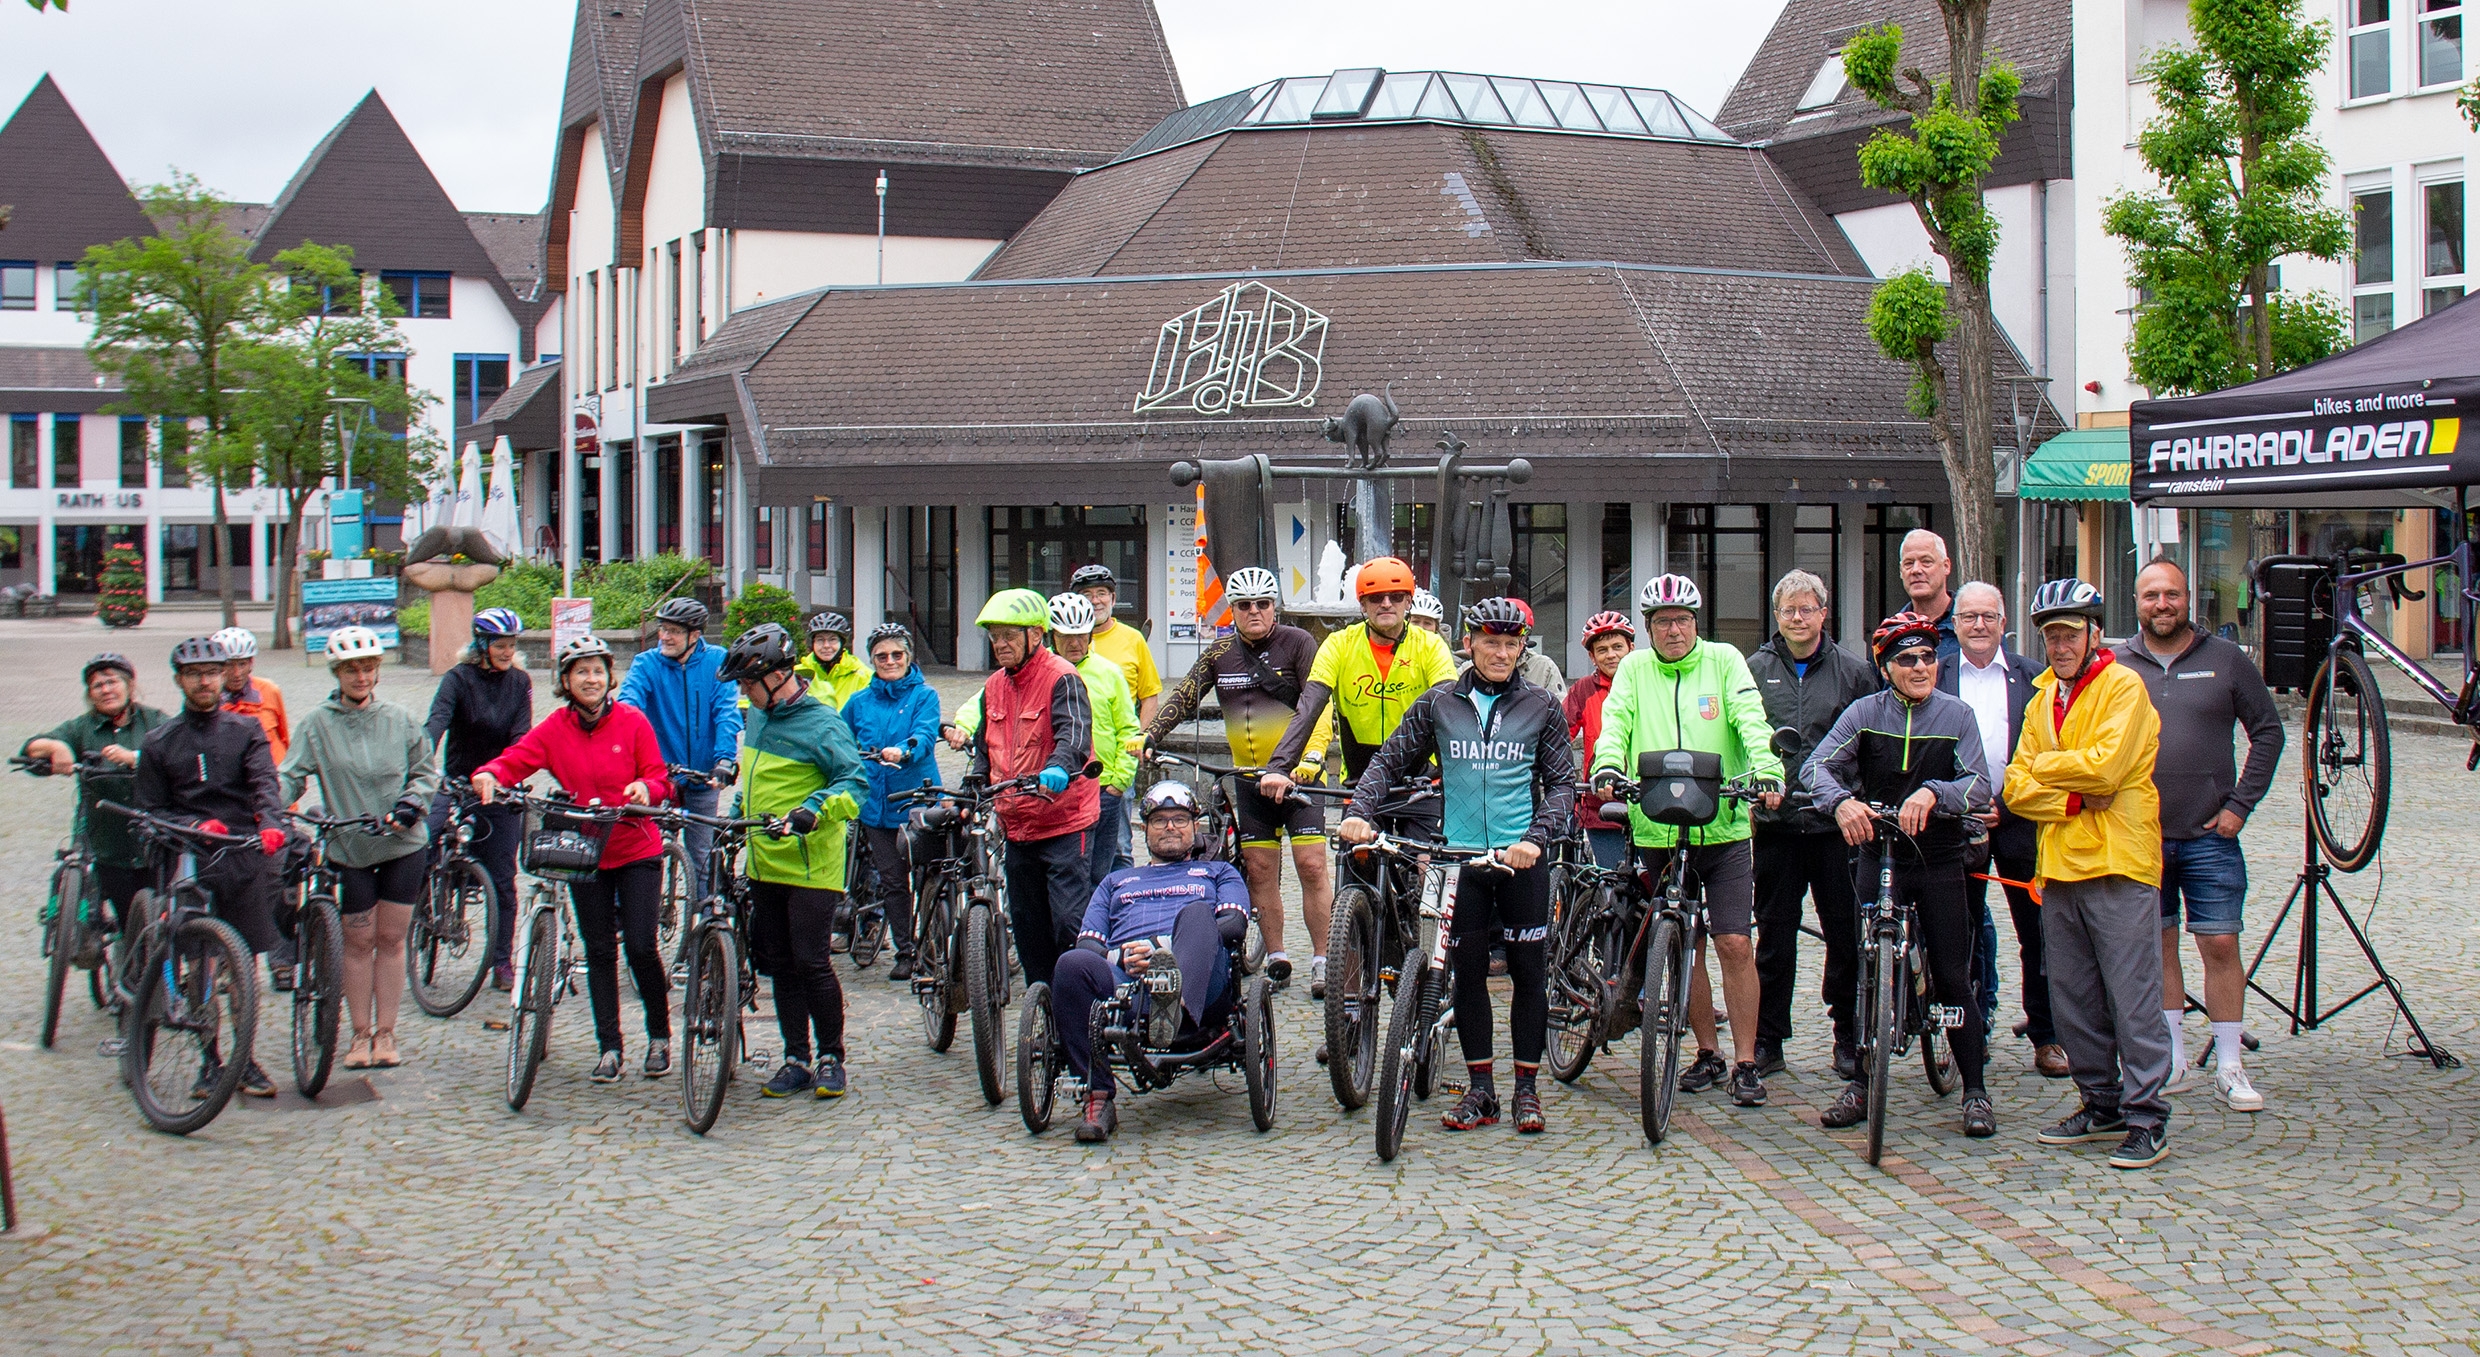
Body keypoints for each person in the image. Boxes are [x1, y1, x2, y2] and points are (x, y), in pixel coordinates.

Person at [1341, 597, 1577, 1134]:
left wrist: (1537, 839)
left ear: (1522, 648)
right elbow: (1388, 760)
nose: (1500, 652)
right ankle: (1481, 1091)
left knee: (1527, 975)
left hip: (1521, 859)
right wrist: (1358, 812)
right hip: (1459, 859)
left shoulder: (1541, 705)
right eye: (1489, 642)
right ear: (1468, 644)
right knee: (1466, 976)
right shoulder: (1438, 703)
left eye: (1511, 643)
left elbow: (1564, 784)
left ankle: (1526, 1090)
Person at [1589, 574, 1783, 1108]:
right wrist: (1607, 763)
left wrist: (1766, 768)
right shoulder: (1633, 667)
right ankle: (1707, 1050)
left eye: (1683, 620)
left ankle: (1747, 1061)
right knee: (1684, 944)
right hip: (1656, 827)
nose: (1673, 630)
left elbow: (1750, 719)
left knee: (1734, 943)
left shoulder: (1724, 661)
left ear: (1697, 622)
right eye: (1662, 622)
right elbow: (1617, 722)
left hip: (1722, 827)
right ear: (1648, 629)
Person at [1805, 612, 1998, 1137]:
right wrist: (1840, 802)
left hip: (1937, 857)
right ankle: (1862, 1083)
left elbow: (1980, 781)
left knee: (1956, 976)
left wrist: (1936, 792)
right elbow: (1815, 767)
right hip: (1878, 853)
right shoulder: (1863, 713)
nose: (1920, 667)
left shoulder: (1956, 715)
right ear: (1885, 667)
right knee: (1865, 965)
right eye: (1907, 659)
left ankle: (1975, 1090)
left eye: (1929, 657)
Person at [2005, 578, 2174, 1171]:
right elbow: (2015, 788)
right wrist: (2070, 800)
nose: (2059, 645)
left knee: (2133, 998)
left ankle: (2148, 1113)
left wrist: (2047, 773)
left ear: (2094, 634)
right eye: (2051, 635)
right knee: (2073, 998)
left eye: (2070, 633)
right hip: (2060, 866)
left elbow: (2106, 771)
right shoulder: (2038, 697)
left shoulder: (2123, 686)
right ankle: (2100, 1101)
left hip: (2119, 863)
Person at [473, 637, 677, 1084]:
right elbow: (515, 761)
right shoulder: (554, 728)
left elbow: (659, 777)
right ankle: (609, 1047)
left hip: (635, 847)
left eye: (598, 671)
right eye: (581, 672)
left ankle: (659, 1036)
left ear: (609, 678)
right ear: (565, 681)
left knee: (641, 945)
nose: (591, 679)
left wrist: (647, 790)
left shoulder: (632, 721)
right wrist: (490, 773)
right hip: (587, 853)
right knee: (599, 949)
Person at [2125, 558, 2282, 1112]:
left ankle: (2231, 1063)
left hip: (2211, 835)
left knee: (2219, 943)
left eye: (2171, 594)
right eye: (2151, 595)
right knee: (2159, 945)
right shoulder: (2118, 663)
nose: (2161, 604)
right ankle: (2173, 1058)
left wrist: (2241, 803)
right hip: (2140, 836)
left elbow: (2267, 731)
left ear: (2188, 598)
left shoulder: (2226, 660)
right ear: (2137, 602)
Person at [1143, 566, 1334, 993]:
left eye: (1262, 604)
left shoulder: (1299, 643)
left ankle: (1322, 958)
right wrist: (1150, 735)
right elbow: (1186, 695)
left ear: (1275, 607)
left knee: (1312, 865)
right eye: (1244, 605)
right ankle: (1279, 956)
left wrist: (1311, 758)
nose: (1253, 612)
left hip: (1300, 778)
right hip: (1248, 779)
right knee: (1259, 868)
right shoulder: (1219, 653)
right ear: (1232, 610)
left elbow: (1318, 705)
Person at [278, 626, 441, 1071]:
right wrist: (266, 802)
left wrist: (412, 804)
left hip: (402, 844)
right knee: (357, 940)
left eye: (368, 667)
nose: (361, 676)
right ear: (337, 672)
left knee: (389, 939)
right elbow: (291, 775)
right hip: (349, 847)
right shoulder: (317, 724)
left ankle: (386, 1032)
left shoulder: (400, 719)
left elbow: (426, 772)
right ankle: (358, 1033)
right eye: (351, 669)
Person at [718, 624, 869, 1101]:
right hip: (765, 862)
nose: (744, 693)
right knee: (780, 965)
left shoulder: (822, 723)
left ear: (777, 676)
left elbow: (855, 783)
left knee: (811, 962)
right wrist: (737, 811)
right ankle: (795, 1057)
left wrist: (815, 809)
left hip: (810, 867)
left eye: (748, 683)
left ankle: (831, 1057)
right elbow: (759, 777)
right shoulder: (759, 715)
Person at [134, 635, 289, 1098]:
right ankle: (209, 1057)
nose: (206, 681)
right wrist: (196, 823)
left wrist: (271, 822)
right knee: (202, 960)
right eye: (195, 674)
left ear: (224, 677)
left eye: (213, 673)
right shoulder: (160, 742)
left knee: (245, 962)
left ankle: (244, 1056)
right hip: (189, 855)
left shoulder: (244, 732)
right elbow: (150, 809)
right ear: (180, 680)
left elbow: (265, 781)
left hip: (241, 851)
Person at [1057, 780, 1254, 1142]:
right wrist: (1123, 955)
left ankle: (1173, 1003)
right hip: (1127, 987)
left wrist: (1166, 950)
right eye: (1160, 820)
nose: (1170, 827)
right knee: (1071, 964)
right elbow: (1088, 941)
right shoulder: (1117, 881)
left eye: (1179, 819)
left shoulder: (1218, 872)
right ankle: (1097, 1098)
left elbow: (1234, 923)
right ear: (1144, 829)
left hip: (1198, 983)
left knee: (1197, 914)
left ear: (1195, 828)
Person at [1745, 569, 1879, 1081]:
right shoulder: (1755, 669)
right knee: (1774, 936)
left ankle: (1847, 1034)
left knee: (1845, 935)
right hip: (1777, 827)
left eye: (1807, 609)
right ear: (1776, 616)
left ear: (1825, 613)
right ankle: (1768, 1038)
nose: (1797, 618)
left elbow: (1870, 742)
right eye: (1788, 610)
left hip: (1835, 829)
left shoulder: (1853, 671)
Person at [1938, 582, 2061, 1077]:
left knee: (2038, 934)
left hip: (2019, 824)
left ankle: (2047, 1035)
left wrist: (2006, 805)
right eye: (1969, 617)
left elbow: (2049, 754)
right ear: (1956, 624)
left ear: (2004, 622)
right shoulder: (1936, 674)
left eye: (1989, 617)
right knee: (1958, 934)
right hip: (1952, 824)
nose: (1979, 626)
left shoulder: (2035, 679)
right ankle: (1969, 1035)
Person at [962, 588, 1098, 986]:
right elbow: (985, 745)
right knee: (1026, 926)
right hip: (1016, 823)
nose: (1000, 644)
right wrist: (973, 783)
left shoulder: (1062, 677)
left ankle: (1081, 1001)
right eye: (994, 636)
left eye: (1008, 635)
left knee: (1068, 922)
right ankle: (1043, 1008)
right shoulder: (993, 686)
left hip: (1063, 820)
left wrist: (1059, 767)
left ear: (1035, 635)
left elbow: (1074, 734)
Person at [1258, 556, 1460, 797]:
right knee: (1353, 834)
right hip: (1361, 784)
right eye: (1375, 597)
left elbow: (1449, 705)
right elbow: (1310, 705)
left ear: (1408, 602)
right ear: (1362, 605)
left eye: (1395, 596)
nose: (1386, 604)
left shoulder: (1431, 645)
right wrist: (1279, 766)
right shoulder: (1339, 644)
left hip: (1420, 783)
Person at [21, 653, 170, 956]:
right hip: (106, 843)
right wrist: (58, 747)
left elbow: (179, 752)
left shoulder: (155, 721)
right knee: (120, 919)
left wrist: (136, 759)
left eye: (112, 681)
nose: (105, 689)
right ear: (89, 694)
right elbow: (32, 746)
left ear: (129, 685)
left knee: (156, 921)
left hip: (153, 836)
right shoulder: (83, 728)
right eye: (96, 685)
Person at [425, 606, 533, 1011]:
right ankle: (425, 898)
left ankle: (502, 962)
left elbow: (522, 734)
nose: (507, 652)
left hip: (500, 783)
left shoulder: (520, 682)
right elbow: (436, 723)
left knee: (504, 875)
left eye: (511, 645)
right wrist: (419, 768)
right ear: (482, 645)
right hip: (456, 780)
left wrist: (513, 772)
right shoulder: (458, 679)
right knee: (425, 835)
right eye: (500, 645)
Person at [614, 596, 741, 899]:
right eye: (662, 629)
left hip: (703, 774)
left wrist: (724, 760)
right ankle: (631, 913)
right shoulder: (646, 663)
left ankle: (707, 921)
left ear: (695, 635)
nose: (664, 637)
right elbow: (629, 704)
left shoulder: (716, 661)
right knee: (642, 851)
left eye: (673, 630)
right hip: (658, 776)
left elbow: (726, 713)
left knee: (701, 855)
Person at [839, 622, 941, 983]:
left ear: (909, 656)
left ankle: (934, 943)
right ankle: (905, 950)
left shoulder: (924, 695)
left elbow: (926, 734)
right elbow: (838, 736)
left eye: (897, 654)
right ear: (872, 660)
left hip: (917, 800)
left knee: (928, 876)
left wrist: (905, 750)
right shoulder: (860, 701)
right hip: (876, 807)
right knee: (893, 881)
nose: (890, 661)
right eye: (882, 656)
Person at [1048, 592, 1145, 888]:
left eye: (1080, 635)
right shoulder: (1042, 673)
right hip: (1057, 790)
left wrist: (1120, 782)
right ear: (1052, 636)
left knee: (1099, 876)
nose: (1074, 643)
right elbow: (986, 702)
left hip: (1104, 789)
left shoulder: (1109, 673)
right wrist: (960, 725)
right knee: (1063, 875)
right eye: (1066, 636)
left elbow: (1129, 730)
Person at [1071, 564, 1162, 730]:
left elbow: (1149, 696)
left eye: (1101, 593)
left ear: (1113, 599)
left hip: (1121, 744)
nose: (1095, 601)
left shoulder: (1134, 639)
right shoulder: (1067, 642)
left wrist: (1138, 738)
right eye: (1087, 595)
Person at [1455, 598, 1566, 698]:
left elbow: (1561, 708)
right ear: (1469, 645)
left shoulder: (1544, 667)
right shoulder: (1466, 670)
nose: (1502, 654)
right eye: (1492, 643)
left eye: (1511, 643)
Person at [213, 626, 290, 766]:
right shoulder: (210, 700)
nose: (237, 673)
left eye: (242, 664)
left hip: (273, 772)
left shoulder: (269, 690)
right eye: (229, 665)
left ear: (251, 664)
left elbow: (284, 736)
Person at [1897, 529, 1961, 664]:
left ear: (1946, 566)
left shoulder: (1973, 628)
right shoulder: (1891, 633)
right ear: (1901, 572)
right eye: (1908, 563)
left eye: (1926, 561)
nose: (1916, 570)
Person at [796, 611, 871, 710]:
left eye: (832, 639)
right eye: (820, 640)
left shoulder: (863, 675)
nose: (826, 646)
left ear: (842, 643)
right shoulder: (798, 674)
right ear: (812, 643)